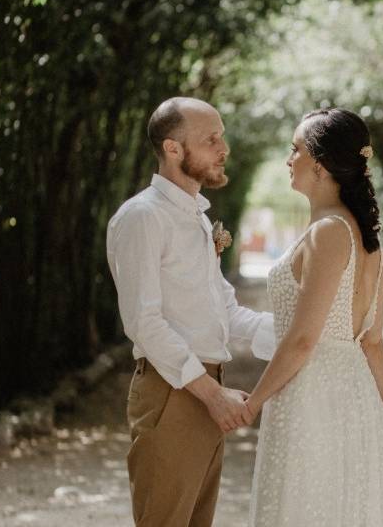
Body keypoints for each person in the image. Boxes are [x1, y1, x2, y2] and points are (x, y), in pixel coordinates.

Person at [243, 108, 383, 526]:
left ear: (321, 164)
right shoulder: (370, 243)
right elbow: (372, 343)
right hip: (354, 396)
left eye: (295, 150)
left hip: (312, 394)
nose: (288, 160)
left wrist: (253, 401)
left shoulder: (329, 232)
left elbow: (303, 338)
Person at [106, 97, 275, 527]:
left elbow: (226, 310)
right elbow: (143, 323)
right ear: (173, 149)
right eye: (211, 139)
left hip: (202, 390)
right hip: (172, 393)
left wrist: (301, 335)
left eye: (223, 137)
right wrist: (212, 394)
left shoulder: (197, 219)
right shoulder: (143, 217)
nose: (225, 149)